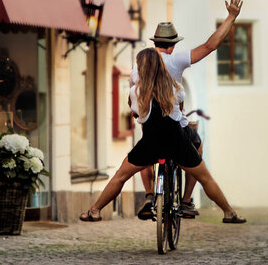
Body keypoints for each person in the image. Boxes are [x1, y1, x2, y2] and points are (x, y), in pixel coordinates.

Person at [79, 48, 245, 224]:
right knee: (205, 178)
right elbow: (180, 112)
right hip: (177, 142)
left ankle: (95, 210)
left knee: (120, 176)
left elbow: (136, 113)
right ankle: (228, 212)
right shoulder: (175, 87)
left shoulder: (135, 92)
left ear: (142, 68)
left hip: (151, 143)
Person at [135, 0, 243, 220]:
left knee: (143, 152)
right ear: (173, 45)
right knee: (197, 147)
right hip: (174, 126)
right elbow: (210, 45)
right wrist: (231, 17)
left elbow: (132, 96)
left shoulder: (143, 62)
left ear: (155, 43)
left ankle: (148, 196)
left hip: (150, 124)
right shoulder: (176, 60)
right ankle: (185, 201)